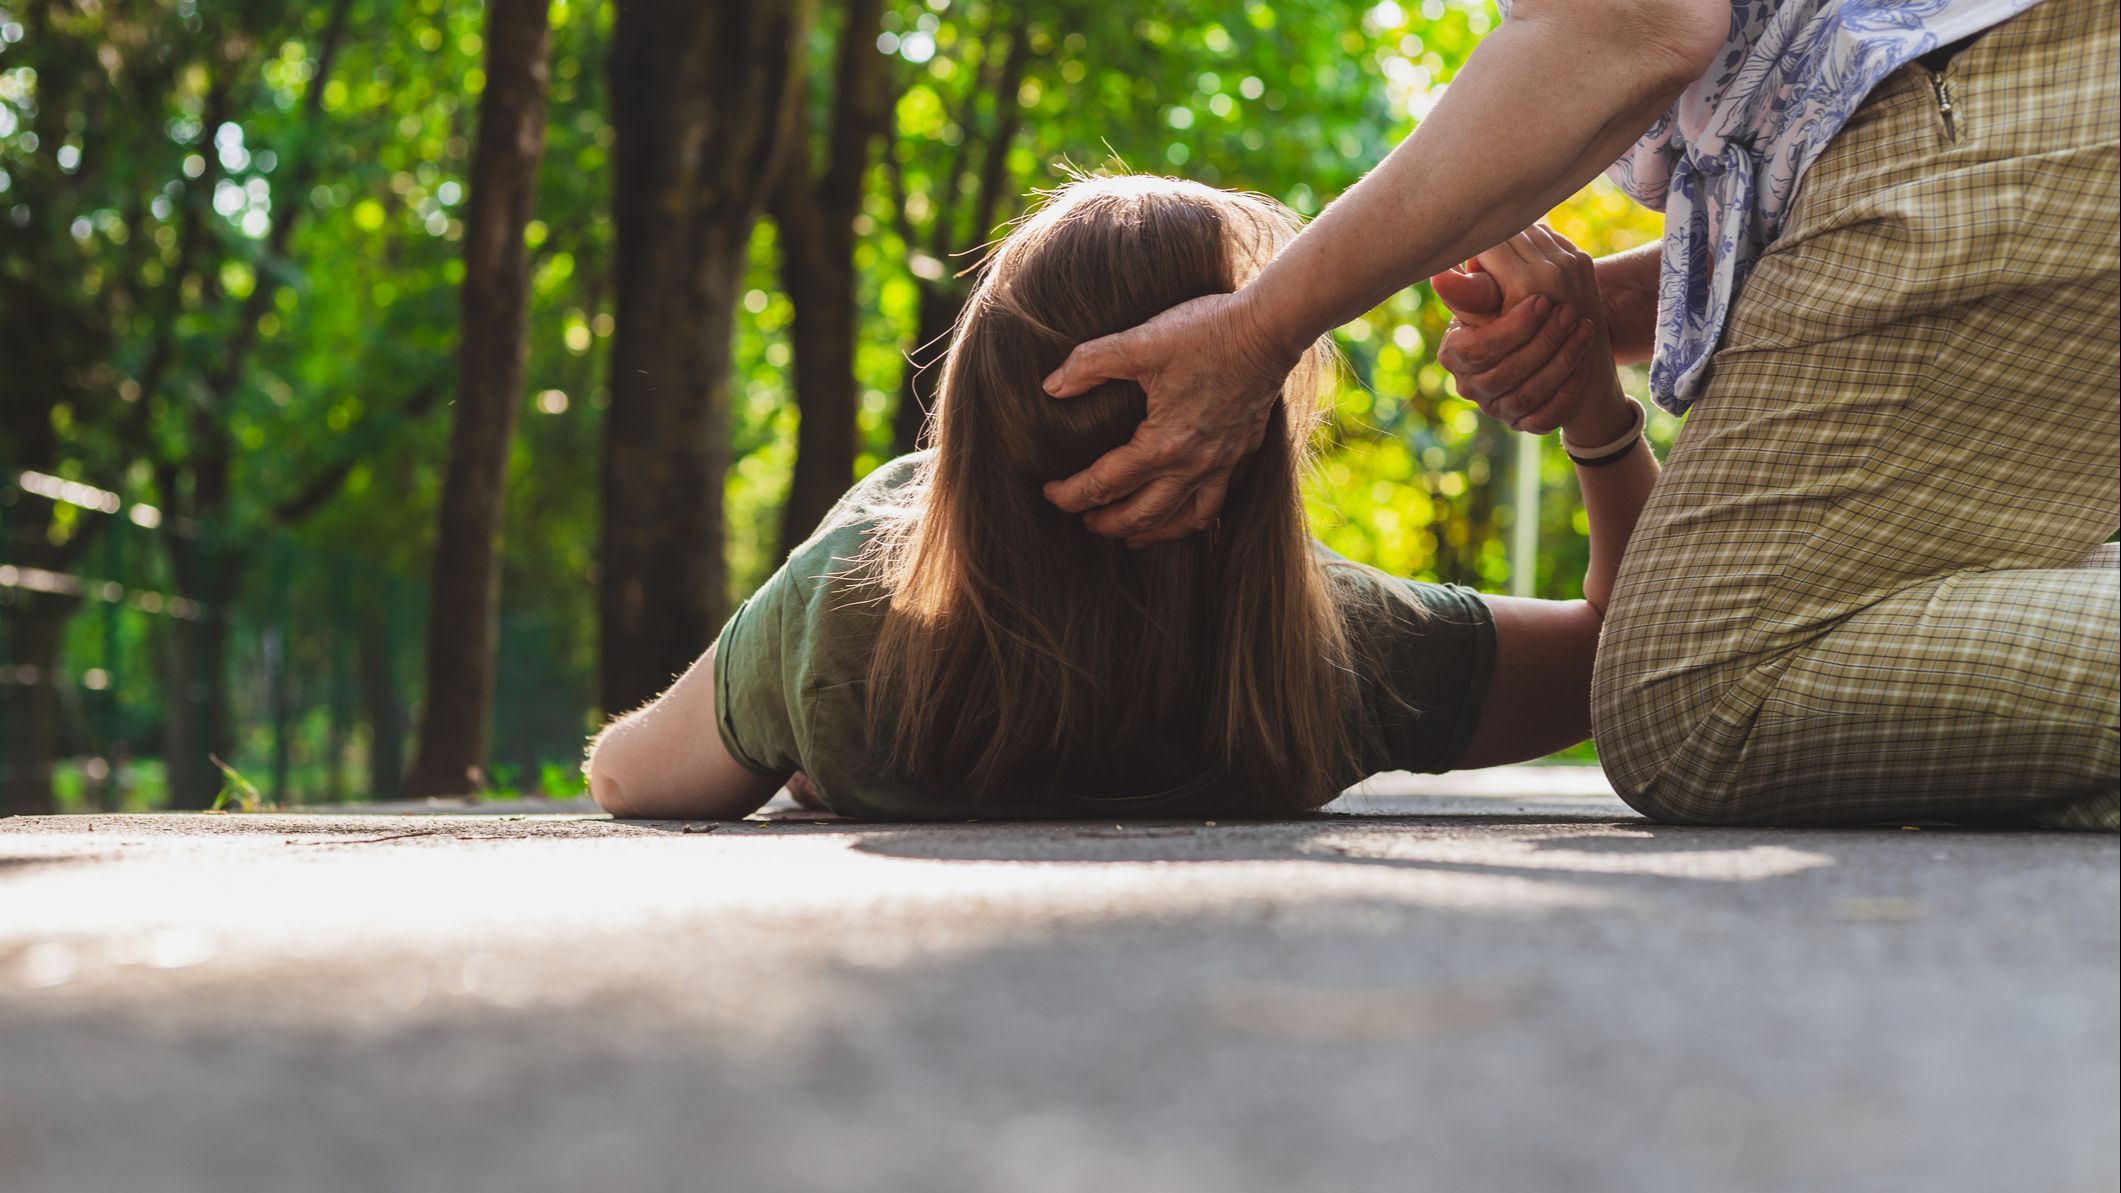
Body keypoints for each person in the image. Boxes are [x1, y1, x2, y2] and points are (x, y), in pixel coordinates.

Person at [1035, 0, 2118, 828]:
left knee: (1697, 703)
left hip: (2010, 101)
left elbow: (1635, 21)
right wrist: (1590, 324)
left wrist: (1263, 325)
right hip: (2042, 94)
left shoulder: (869, 617)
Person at [585, 177, 1654, 820]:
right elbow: (1630, 654)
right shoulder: (1335, 652)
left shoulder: (845, 621)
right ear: (1247, 440)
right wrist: (1597, 417)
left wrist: (807, 722)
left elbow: (627, 778)